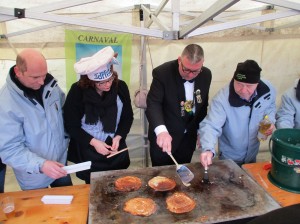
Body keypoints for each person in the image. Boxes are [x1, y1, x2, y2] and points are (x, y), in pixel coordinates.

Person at [0, 49, 72, 190]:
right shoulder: (5, 103)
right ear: (18, 71)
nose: (41, 82)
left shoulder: (51, 87)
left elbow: (64, 113)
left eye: (44, 75)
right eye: (35, 77)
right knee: (41, 210)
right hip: (33, 174)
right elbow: (9, 149)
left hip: (60, 163)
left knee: (69, 204)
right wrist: (41, 164)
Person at [63, 46, 133, 184]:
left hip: (115, 148)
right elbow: (71, 124)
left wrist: (119, 137)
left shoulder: (120, 87)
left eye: (110, 79)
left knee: (120, 184)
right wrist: (94, 142)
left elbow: (127, 116)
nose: (108, 85)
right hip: (89, 147)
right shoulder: (77, 92)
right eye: (101, 83)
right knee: (94, 188)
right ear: (90, 81)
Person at [199, 59, 276, 168]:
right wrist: (207, 149)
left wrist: (270, 120)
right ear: (233, 79)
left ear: (257, 84)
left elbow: (271, 106)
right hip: (229, 157)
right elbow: (210, 125)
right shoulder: (221, 100)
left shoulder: (267, 90)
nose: (243, 90)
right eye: (239, 84)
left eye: (249, 86)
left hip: (253, 153)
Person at [146, 44, 212, 166]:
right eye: (186, 69)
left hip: (188, 140)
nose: (190, 75)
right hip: (164, 138)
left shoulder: (206, 75)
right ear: (179, 60)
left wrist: (200, 130)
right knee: (161, 175)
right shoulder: (162, 73)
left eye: (196, 71)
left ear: (202, 64)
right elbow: (153, 103)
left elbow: (202, 106)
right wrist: (161, 131)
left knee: (183, 174)